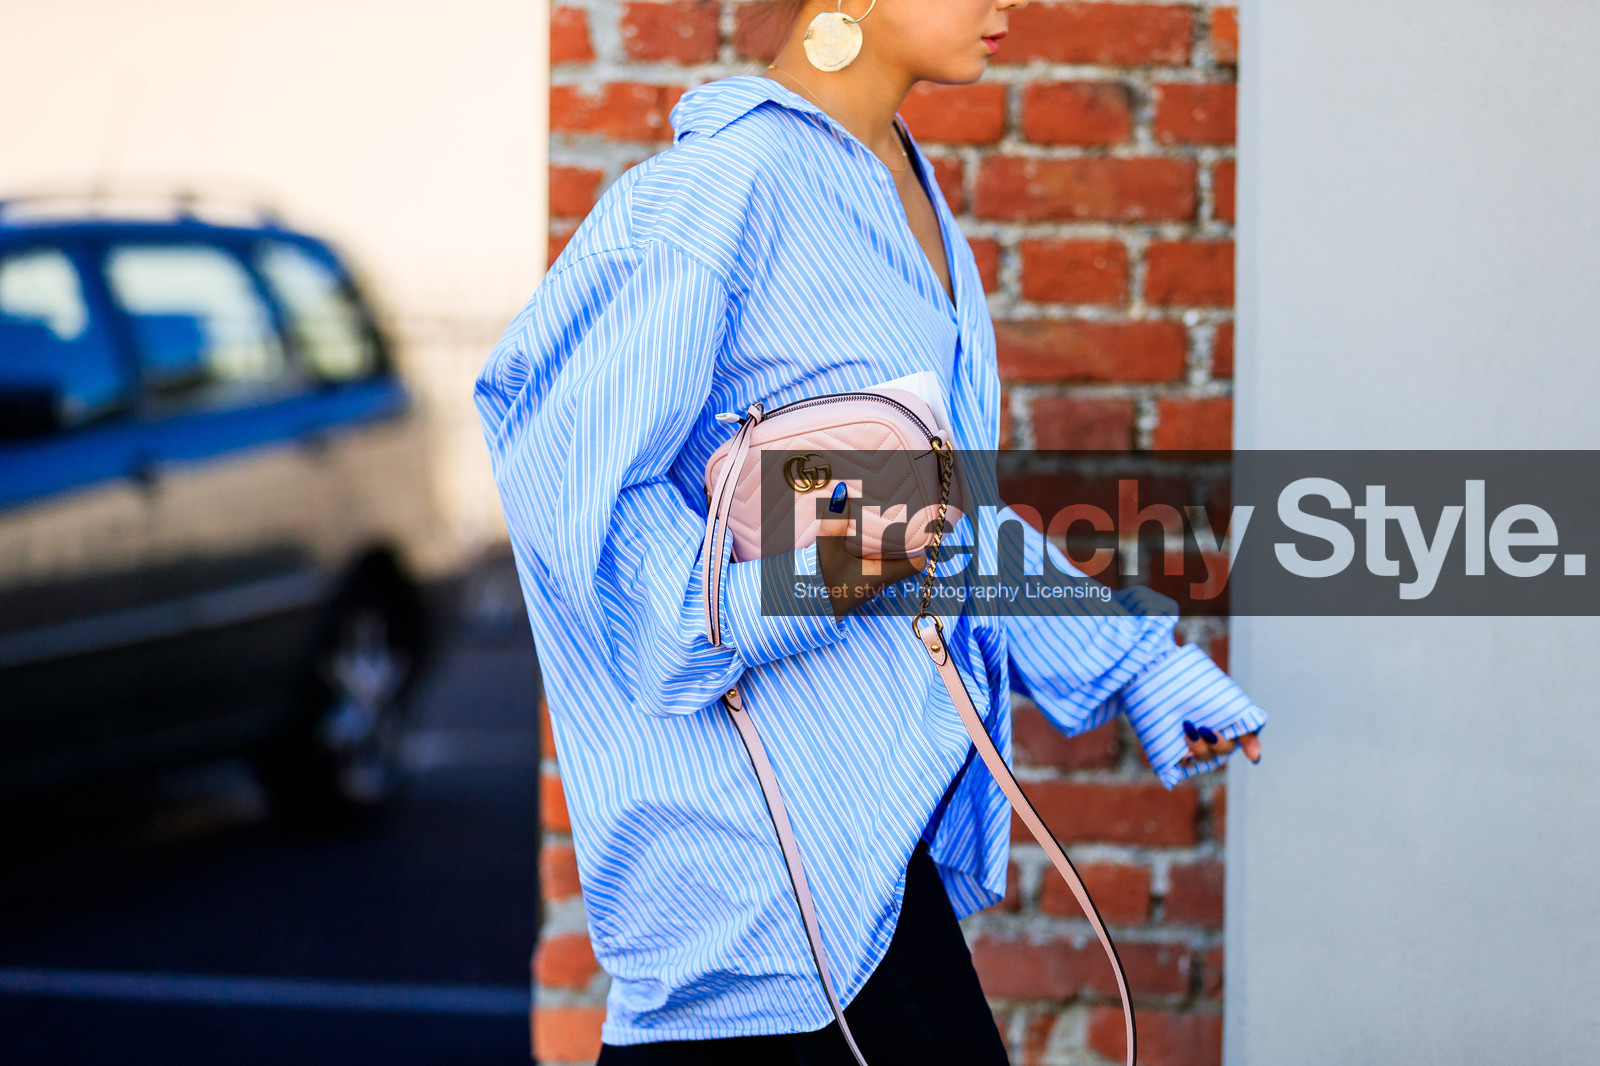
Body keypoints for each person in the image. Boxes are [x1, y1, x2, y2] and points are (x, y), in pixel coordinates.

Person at [473, 1, 1265, 1061]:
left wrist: (1133, 665)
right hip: (756, 876)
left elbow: (933, 513)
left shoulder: (893, 181)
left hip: (870, 852)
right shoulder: (725, 187)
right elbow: (554, 456)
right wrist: (775, 597)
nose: (1010, 3)